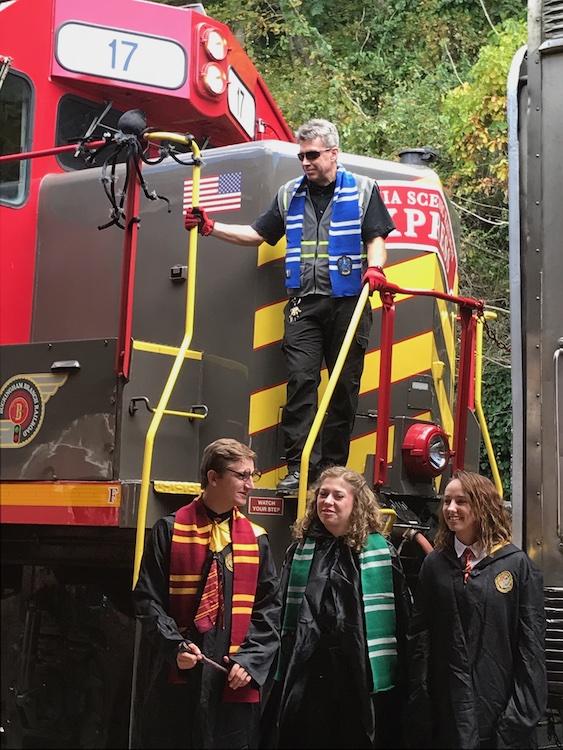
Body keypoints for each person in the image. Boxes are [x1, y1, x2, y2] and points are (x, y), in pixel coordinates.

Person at [184, 119, 396, 494]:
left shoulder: (363, 189)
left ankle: (330, 471)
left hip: (349, 302)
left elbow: (376, 237)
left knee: (343, 387)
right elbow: (257, 234)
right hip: (304, 305)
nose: (306, 162)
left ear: (333, 153)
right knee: (301, 383)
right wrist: (212, 226)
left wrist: (376, 268)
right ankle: (299, 468)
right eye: (301, 155)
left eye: (312, 154)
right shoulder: (289, 194)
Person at [132, 438, 280, 749]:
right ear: (213, 477)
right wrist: (175, 647)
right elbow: (148, 600)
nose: (251, 485)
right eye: (242, 475)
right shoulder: (170, 531)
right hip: (181, 677)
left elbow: (270, 609)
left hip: (232, 680)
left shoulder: (256, 540)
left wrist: (250, 662)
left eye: (254, 475)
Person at [261, 465, 412, 749]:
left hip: (360, 674)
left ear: (356, 503)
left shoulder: (380, 552)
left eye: (338, 496)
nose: (327, 501)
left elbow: (402, 622)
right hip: (310, 671)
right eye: (323, 494)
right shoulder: (301, 550)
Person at [405, 470, 548, 749]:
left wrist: (519, 715)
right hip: (446, 706)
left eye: (461, 501)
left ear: (482, 506)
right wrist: (421, 701)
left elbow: (531, 645)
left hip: (499, 705)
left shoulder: (516, 566)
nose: (451, 509)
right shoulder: (435, 565)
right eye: (446, 501)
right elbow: (419, 639)